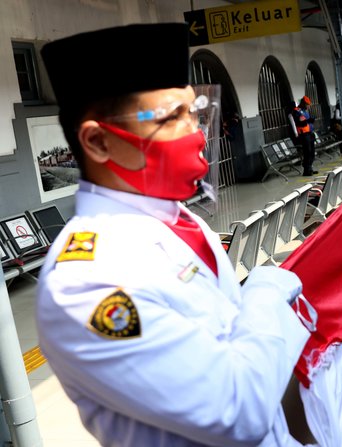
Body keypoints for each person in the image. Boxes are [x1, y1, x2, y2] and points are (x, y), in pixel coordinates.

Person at [36, 23, 311, 447]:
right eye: (170, 118)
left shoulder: (179, 218)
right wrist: (265, 293)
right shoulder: (87, 282)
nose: (197, 134)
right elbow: (237, 410)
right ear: (98, 142)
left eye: (195, 113)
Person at [292, 96, 318, 176]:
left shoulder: (305, 111)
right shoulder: (296, 111)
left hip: (310, 133)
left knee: (312, 152)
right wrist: (308, 120)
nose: (308, 106)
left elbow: (306, 120)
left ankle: (310, 168)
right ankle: (306, 170)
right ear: (303, 103)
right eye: (307, 104)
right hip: (304, 135)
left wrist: (311, 120)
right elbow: (299, 122)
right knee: (307, 152)